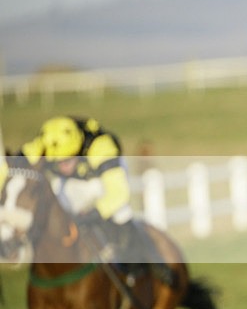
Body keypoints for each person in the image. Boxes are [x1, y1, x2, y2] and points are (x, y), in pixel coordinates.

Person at [20, 115, 170, 285]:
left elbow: (118, 194)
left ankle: (153, 263)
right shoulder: (44, 143)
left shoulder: (102, 147)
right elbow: (10, 166)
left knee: (120, 213)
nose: (63, 166)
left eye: (68, 160)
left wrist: (93, 213)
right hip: (73, 182)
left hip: (103, 179)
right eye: (58, 162)